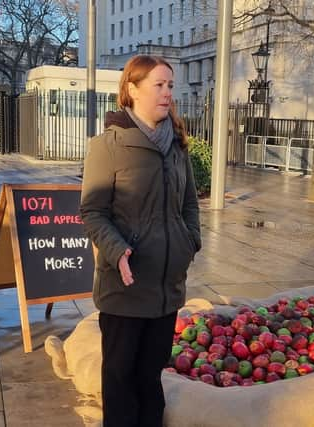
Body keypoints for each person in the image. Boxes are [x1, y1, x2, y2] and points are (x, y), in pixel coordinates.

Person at [80, 55, 201, 427]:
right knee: (120, 381)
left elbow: (189, 204)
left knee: (151, 380)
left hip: (166, 289)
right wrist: (117, 252)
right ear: (132, 90)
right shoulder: (107, 146)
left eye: (170, 85)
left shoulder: (177, 145)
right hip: (125, 288)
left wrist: (189, 242)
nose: (168, 93)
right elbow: (93, 212)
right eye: (158, 85)